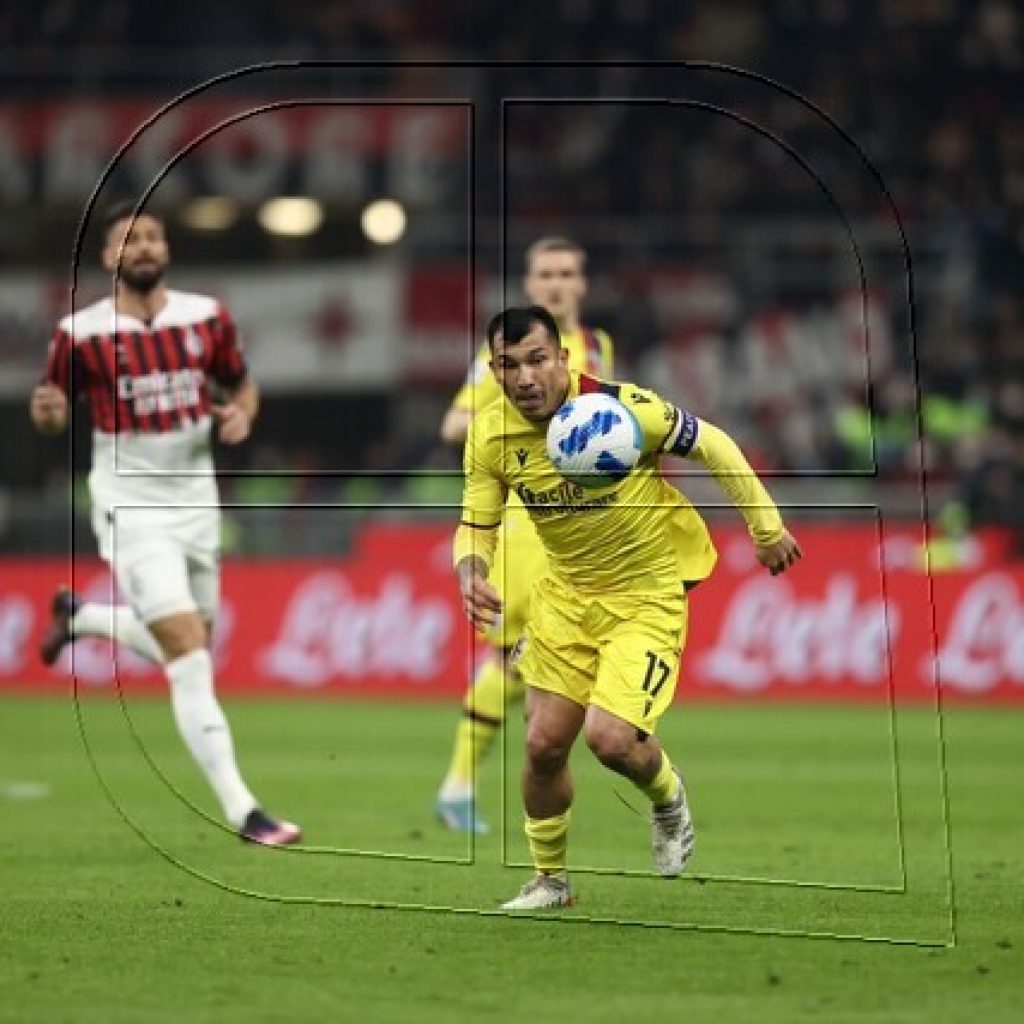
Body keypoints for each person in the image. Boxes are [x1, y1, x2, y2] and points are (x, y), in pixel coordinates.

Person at [454, 306, 801, 910]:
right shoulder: (490, 433)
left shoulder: (625, 410)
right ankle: (551, 881)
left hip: (644, 598)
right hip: (564, 600)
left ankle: (668, 797)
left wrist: (765, 528)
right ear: (494, 370)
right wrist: (470, 570)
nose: (526, 378)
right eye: (510, 366)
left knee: (611, 742)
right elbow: (476, 522)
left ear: (563, 358)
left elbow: (713, 443)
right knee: (541, 747)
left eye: (538, 359)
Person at [30, 201, 301, 847]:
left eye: (153, 236)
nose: (144, 247)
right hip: (131, 504)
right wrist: (45, 414)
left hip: (196, 503)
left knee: (194, 644)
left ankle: (83, 619)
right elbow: (51, 413)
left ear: (167, 251)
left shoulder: (206, 317)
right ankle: (244, 811)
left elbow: (242, 385)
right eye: (130, 240)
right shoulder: (81, 333)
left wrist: (242, 415)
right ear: (108, 259)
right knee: (187, 652)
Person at [435, 237, 615, 834]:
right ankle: (459, 786)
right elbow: (454, 423)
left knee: (547, 663)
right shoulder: (508, 358)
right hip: (525, 528)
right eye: (546, 274)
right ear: (531, 285)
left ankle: (470, 785)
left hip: (587, 530)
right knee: (519, 662)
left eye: (568, 272)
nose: (558, 283)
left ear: (582, 283)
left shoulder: (599, 347)